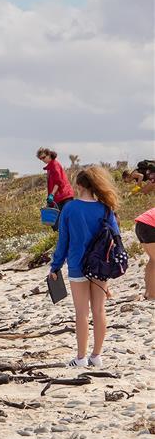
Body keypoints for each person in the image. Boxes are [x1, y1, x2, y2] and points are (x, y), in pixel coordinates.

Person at [50, 167, 122, 368]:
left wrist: (56, 266)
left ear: (79, 185)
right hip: (100, 265)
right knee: (99, 310)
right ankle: (96, 356)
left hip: (77, 265)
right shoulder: (105, 208)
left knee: (81, 313)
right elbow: (115, 240)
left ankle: (80, 358)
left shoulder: (70, 208)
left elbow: (63, 241)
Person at [37, 148, 74, 216]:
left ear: (49, 155)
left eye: (44, 157)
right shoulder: (50, 167)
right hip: (58, 197)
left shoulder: (54, 165)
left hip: (64, 195)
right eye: (40, 159)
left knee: (63, 219)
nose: (42, 160)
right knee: (56, 221)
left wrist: (52, 194)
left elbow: (58, 181)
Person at [135, 207, 155, 300]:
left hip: (140, 224)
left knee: (152, 259)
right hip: (150, 225)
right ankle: (152, 294)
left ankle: (148, 292)